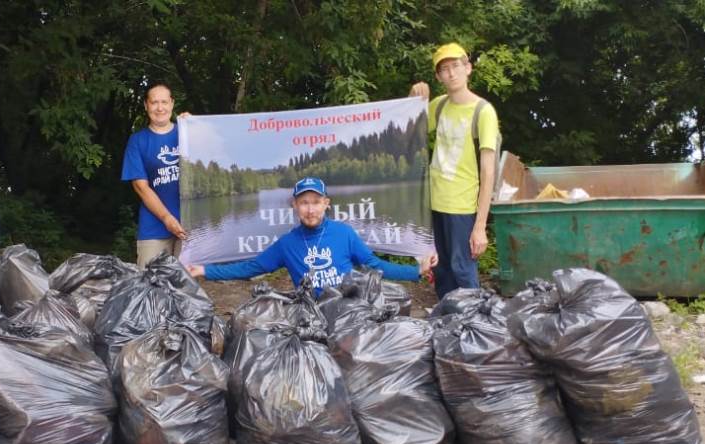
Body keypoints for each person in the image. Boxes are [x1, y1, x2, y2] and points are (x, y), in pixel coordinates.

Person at [186, 177, 435, 292]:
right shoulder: (287, 244)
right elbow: (250, 267)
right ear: (294, 206)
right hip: (310, 315)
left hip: (347, 309)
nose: (310, 209)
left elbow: (375, 265)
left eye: (316, 202)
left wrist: (416, 271)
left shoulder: (344, 234)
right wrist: (205, 270)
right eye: (303, 202)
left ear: (326, 203)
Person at [409, 42, 499, 299]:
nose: (451, 73)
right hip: (433, 204)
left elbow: (488, 172)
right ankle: (447, 324)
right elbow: (407, 132)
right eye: (444, 69)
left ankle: (474, 329)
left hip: (462, 207)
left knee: (463, 271)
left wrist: (480, 226)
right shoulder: (437, 106)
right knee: (442, 270)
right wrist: (413, 100)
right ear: (438, 76)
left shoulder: (483, 111)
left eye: (456, 66)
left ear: (468, 68)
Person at [121, 83, 187, 269]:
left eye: (164, 102)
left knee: (185, 291)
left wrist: (196, 126)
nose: (160, 108)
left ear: (172, 103)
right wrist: (167, 218)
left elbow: (212, 161)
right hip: (153, 227)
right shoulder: (137, 141)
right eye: (154, 102)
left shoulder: (187, 132)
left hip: (190, 226)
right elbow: (140, 187)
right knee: (148, 287)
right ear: (146, 105)